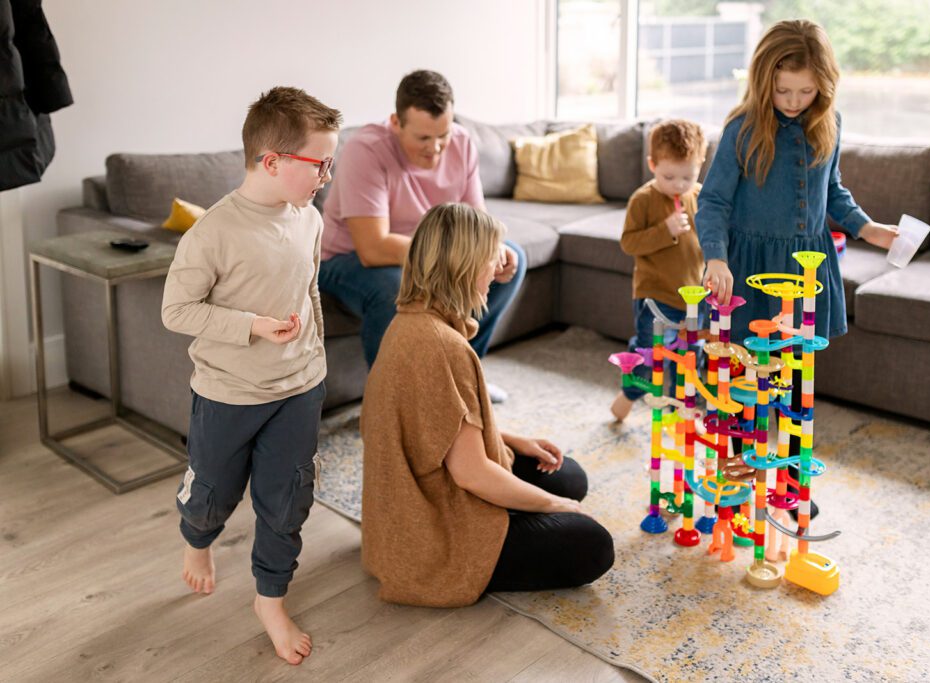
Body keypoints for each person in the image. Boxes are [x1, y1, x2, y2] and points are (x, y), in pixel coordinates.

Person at [161, 86, 340, 666]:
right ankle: (197, 541)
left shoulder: (308, 219)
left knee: (288, 499)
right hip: (228, 393)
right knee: (211, 495)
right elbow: (176, 312)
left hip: (299, 388)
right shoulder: (213, 233)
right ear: (272, 162)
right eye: (320, 164)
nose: (325, 177)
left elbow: (308, 287)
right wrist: (253, 326)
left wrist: (314, 354)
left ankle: (271, 598)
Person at [359, 203, 615, 607]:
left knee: (569, 476)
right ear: (464, 265)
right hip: (433, 522)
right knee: (593, 544)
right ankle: (503, 527)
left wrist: (513, 440)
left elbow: (441, 423)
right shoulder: (441, 346)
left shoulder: (411, 319)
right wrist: (556, 506)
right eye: (491, 257)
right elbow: (471, 474)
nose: (498, 268)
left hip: (408, 504)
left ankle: (524, 505)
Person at [695, 20, 899, 517]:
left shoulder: (828, 123)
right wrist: (715, 256)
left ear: (823, 86)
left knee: (792, 379)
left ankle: (788, 479)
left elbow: (834, 192)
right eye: (783, 90)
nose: (792, 100)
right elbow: (714, 201)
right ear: (764, 80)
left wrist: (866, 227)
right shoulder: (742, 128)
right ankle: (738, 471)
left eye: (805, 91)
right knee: (742, 376)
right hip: (747, 269)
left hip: (803, 270)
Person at [318, 70, 525, 402]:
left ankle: (464, 378)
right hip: (347, 260)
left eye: (442, 134)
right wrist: (451, 257)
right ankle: (390, 402)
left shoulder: (461, 141)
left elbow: (478, 221)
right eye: (423, 138)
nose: (436, 149)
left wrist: (492, 250)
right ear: (396, 123)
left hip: (423, 254)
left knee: (509, 259)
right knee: (398, 287)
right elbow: (372, 248)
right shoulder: (366, 150)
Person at [611, 119, 708, 422]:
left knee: (690, 359)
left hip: (695, 299)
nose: (679, 185)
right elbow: (629, 243)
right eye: (669, 176)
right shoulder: (643, 200)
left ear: (700, 166)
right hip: (656, 297)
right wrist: (664, 230)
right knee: (647, 358)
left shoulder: (701, 196)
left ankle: (680, 412)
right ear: (652, 164)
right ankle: (629, 394)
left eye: (687, 176)